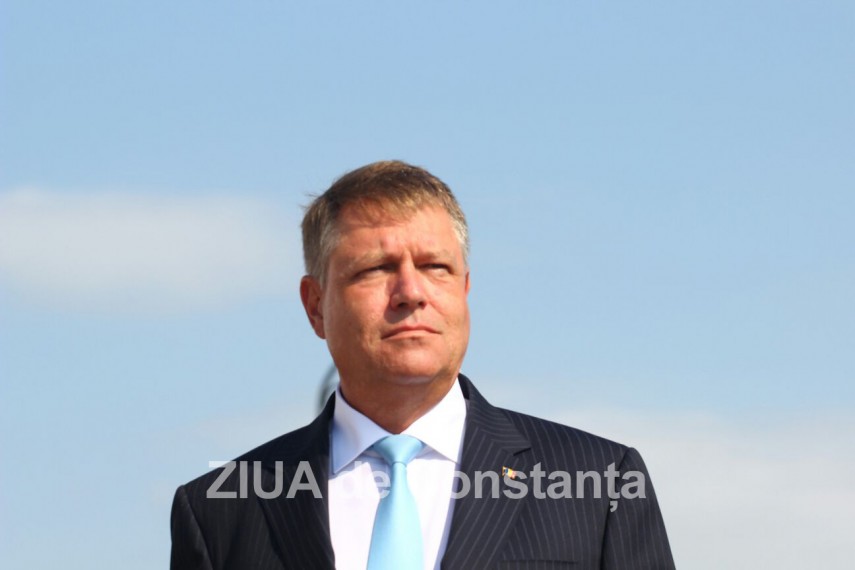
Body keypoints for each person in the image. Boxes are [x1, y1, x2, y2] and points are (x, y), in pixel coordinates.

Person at [170, 160, 675, 569]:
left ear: (465, 289)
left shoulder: (601, 483)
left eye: (436, 267)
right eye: (376, 269)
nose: (411, 292)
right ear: (315, 305)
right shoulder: (221, 509)